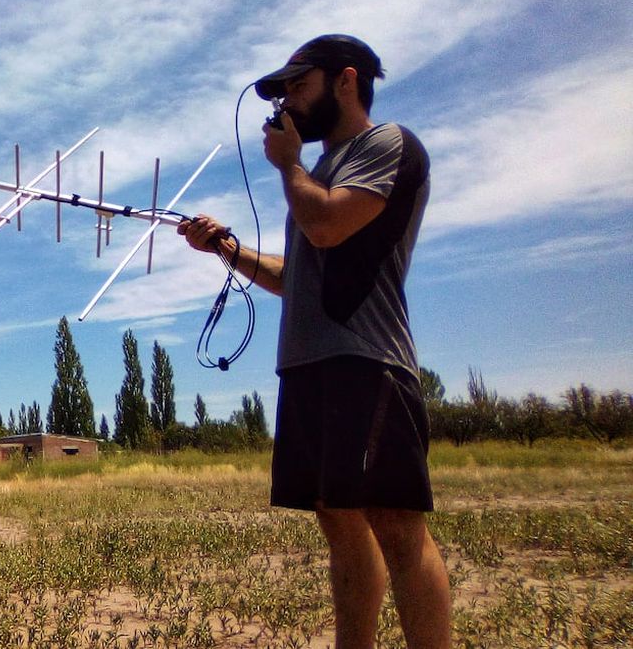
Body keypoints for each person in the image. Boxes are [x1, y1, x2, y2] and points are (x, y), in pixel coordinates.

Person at [178, 34, 451, 648]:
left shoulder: (387, 146)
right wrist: (225, 248)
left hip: (367, 362)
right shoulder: (316, 174)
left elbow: (327, 225)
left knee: (395, 523)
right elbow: (294, 276)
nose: (289, 103)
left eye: (299, 86)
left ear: (345, 80)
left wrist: (289, 167)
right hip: (306, 366)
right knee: (339, 522)